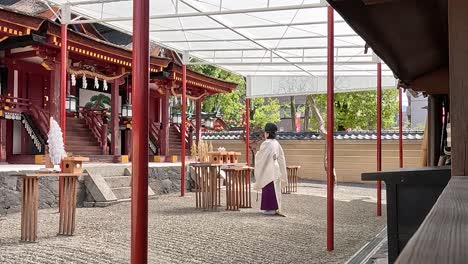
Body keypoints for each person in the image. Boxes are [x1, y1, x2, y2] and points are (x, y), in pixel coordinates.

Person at [254, 123, 288, 216]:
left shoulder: (266, 143)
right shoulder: (276, 143)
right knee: (274, 189)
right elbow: (281, 157)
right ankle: (275, 207)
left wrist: (257, 154)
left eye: (265, 133)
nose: (264, 134)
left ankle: (270, 208)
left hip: (268, 168)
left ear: (267, 133)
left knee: (268, 187)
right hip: (275, 167)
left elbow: (260, 157)